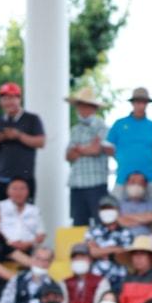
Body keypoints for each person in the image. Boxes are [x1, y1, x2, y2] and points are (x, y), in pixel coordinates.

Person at [0, 82, 45, 199]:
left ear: (19, 99)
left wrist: (19, 136)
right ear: (0, 101)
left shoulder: (32, 119)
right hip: (1, 178)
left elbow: (41, 142)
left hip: (24, 179)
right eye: (5, 99)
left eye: (11, 98)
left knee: (25, 214)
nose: (8, 102)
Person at [106, 87, 152, 205]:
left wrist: (147, 160)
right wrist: (120, 159)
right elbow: (108, 147)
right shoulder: (120, 124)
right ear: (133, 103)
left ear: (147, 104)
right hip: (123, 173)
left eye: (144, 102)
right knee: (114, 206)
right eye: (138, 102)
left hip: (149, 174)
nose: (141, 105)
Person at [64, 87, 111, 226]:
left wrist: (79, 149)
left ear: (94, 108)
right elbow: (68, 155)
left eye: (86, 106)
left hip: (96, 183)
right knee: (78, 223)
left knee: (100, 221)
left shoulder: (101, 126)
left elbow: (96, 150)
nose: (82, 109)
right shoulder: (75, 129)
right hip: (77, 183)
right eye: (80, 105)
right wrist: (87, 148)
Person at [86, 197, 135, 286]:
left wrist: (101, 250)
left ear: (118, 210)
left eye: (110, 208)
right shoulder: (92, 231)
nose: (107, 211)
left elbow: (124, 255)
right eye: (104, 209)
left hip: (120, 279)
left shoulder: (126, 232)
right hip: (97, 280)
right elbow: (92, 252)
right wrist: (114, 249)